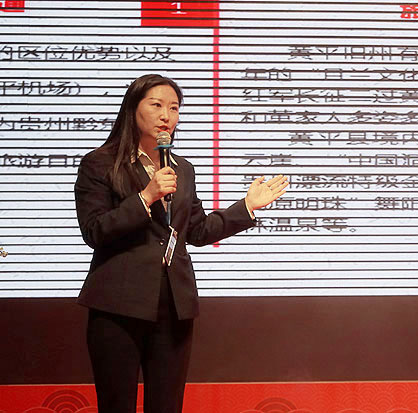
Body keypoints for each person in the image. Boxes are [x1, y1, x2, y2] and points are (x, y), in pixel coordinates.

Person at [74, 74, 288, 413]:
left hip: (173, 306)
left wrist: (246, 207)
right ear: (132, 109)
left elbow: (197, 231)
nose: (166, 116)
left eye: (174, 108)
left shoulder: (182, 169)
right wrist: (146, 197)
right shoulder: (99, 164)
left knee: (168, 405)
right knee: (116, 404)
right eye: (157, 105)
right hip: (118, 306)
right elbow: (95, 230)